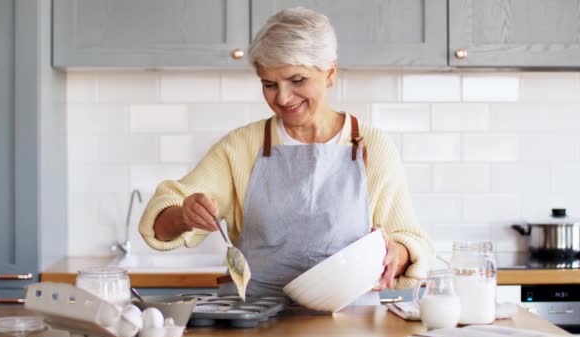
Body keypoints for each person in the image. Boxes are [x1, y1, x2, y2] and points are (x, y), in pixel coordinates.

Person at [139, 7, 434, 302]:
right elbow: (160, 225)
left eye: (297, 80)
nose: (282, 97)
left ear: (330, 73)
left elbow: (411, 241)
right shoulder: (240, 147)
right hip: (256, 323)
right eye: (269, 84)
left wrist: (399, 252)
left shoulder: (372, 147)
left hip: (350, 324)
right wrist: (184, 216)